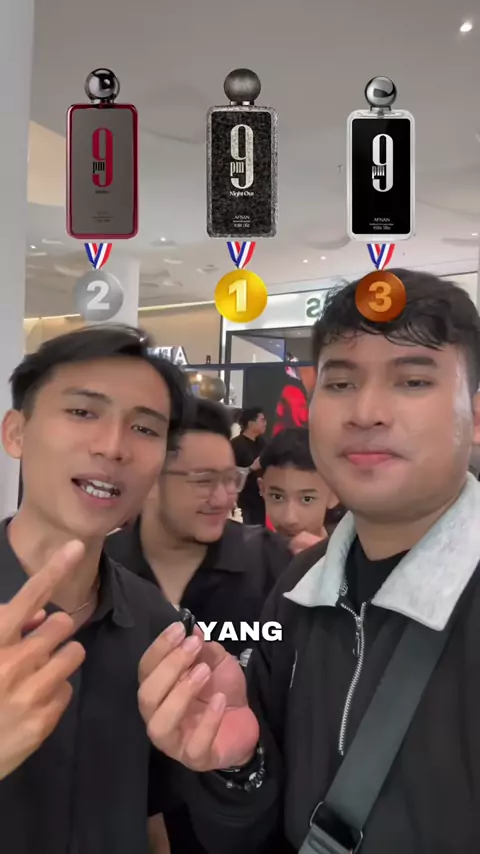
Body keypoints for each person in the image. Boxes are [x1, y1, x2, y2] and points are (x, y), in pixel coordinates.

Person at [135, 269, 480, 854]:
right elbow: (256, 830)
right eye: (341, 383)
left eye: (413, 381)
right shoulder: (302, 584)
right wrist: (237, 765)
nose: (366, 411)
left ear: (474, 415)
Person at [0, 324, 193, 854]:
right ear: (16, 433)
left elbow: (151, 815)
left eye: (145, 429)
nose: (113, 447)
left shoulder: (157, 623)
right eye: (83, 412)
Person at [106, 397, 292, 854]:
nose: (225, 497)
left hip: (246, 822)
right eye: (204, 481)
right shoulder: (101, 572)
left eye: (232, 479)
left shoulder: (270, 564)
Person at [258, 426, 338, 554]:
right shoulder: (249, 556)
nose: (290, 519)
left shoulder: (353, 557)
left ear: (335, 494)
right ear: (262, 489)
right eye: (277, 497)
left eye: (307, 499)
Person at [231, 406, 267, 525]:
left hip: (259, 498)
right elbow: (230, 473)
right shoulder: (236, 444)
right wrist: (250, 468)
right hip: (244, 501)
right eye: (262, 420)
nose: (265, 424)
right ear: (251, 423)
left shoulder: (262, 442)